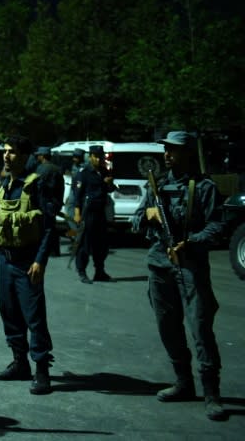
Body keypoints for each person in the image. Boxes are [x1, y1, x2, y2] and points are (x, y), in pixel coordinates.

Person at [133, 131, 226, 421]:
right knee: (167, 327)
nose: (167, 154)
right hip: (159, 265)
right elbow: (136, 222)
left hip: (190, 266)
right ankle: (183, 382)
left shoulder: (204, 187)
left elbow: (217, 226)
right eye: (166, 149)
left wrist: (191, 242)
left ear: (187, 152)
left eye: (173, 150)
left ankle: (212, 393)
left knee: (200, 329)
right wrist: (148, 214)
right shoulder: (156, 185)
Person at [0, 135, 59, 395]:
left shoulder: (36, 184)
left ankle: (42, 371)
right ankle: (20, 363)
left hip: (28, 262)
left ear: (25, 155)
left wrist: (40, 261)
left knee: (34, 317)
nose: (7, 156)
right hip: (5, 259)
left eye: (12, 152)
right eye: (5, 151)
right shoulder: (6, 182)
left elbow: (49, 227)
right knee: (10, 313)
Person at [73, 145, 115, 284]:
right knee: (84, 244)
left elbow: (109, 189)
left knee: (101, 244)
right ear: (90, 156)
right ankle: (82, 271)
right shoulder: (84, 172)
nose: (98, 159)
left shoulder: (104, 171)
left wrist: (109, 183)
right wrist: (77, 213)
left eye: (100, 156)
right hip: (87, 212)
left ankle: (100, 271)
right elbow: (77, 195)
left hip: (100, 212)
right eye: (96, 156)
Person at [34, 147, 65, 257]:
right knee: (51, 227)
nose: (37, 157)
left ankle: (45, 251)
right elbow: (61, 188)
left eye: (38, 155)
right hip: (54, 202)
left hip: (44, 202)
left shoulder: (41, 169)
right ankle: (54, 251)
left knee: (45, 229)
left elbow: (37, 186)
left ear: (42, 156)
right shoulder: (56, 169)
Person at [64, 148, 86, 244]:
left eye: (76, 157)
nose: (74, 159)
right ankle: (77, 231)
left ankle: (79, 232)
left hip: (81, 192)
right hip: (73, 191)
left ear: (81, 157)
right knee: (69, 212)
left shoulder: (84, 167)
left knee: (75, 212)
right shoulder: (74, 165)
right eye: (74, 157)